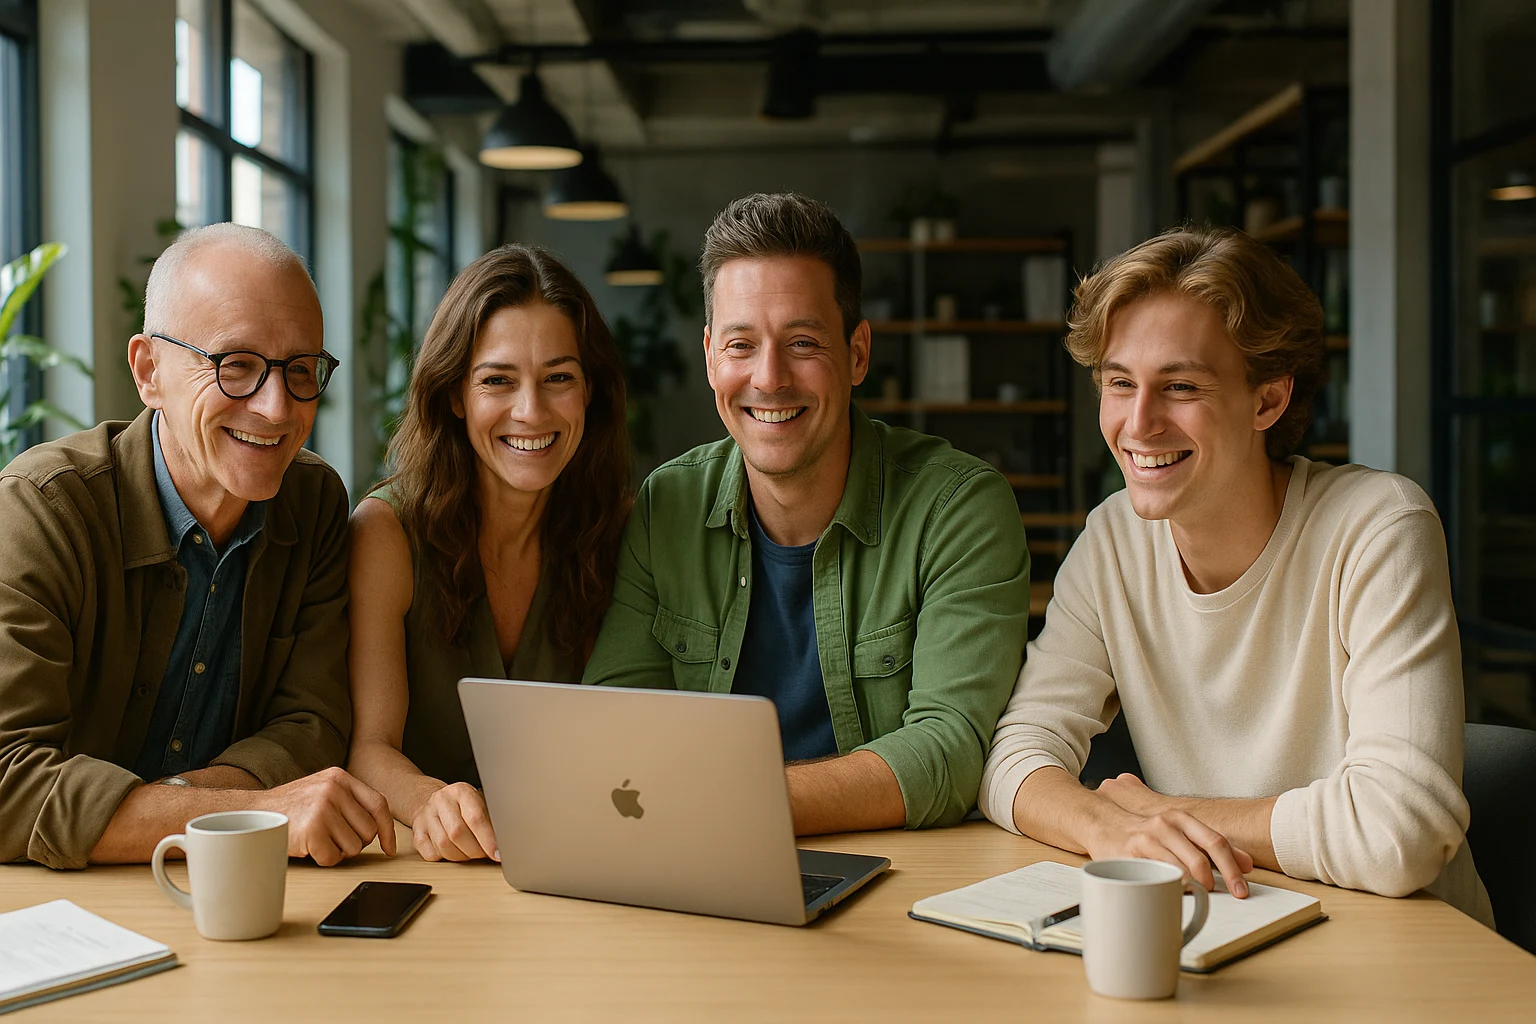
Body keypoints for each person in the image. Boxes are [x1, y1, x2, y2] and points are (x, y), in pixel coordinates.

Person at [979, 225, 1493, 926]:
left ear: (1267, 402)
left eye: (1181, 386)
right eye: (1119, 383)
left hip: (1408, 952)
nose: (1138, 423)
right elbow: (1014, 757)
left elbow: (1399, 833)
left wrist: (1167, 813)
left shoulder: (1378, 527)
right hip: (1227, 927)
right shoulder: (1113, 540)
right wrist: (1112, 828)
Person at [583, 193, 1031, 835]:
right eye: (741, 345)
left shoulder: (956, 506)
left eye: (801, 342)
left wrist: (734, 801)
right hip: (693, 856)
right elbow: (614, 720)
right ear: (710, 354)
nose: (769, 377)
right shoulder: (666, 506)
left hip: (895, 876)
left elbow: (949, 752)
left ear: (856, 353)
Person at [0, 223, 395, 869]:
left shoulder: (314, 501)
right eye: (235, 365)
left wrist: (164, 809)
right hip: (52, 909)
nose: (276, 407)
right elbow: (5, 781)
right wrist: (251, 814)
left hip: (230, 890)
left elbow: (313, 727)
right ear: (148, 371)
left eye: (300, 370)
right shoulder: (41, 510)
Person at [347, 245, 631, 863]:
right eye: (497, 381)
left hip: (575, 858)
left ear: (591, 394)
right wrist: (428, 801)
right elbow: (369, 746)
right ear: (454, 395)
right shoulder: (386, 533)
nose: (530, 411)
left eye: (559, 378)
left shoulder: (619, 532)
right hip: (427, 869)